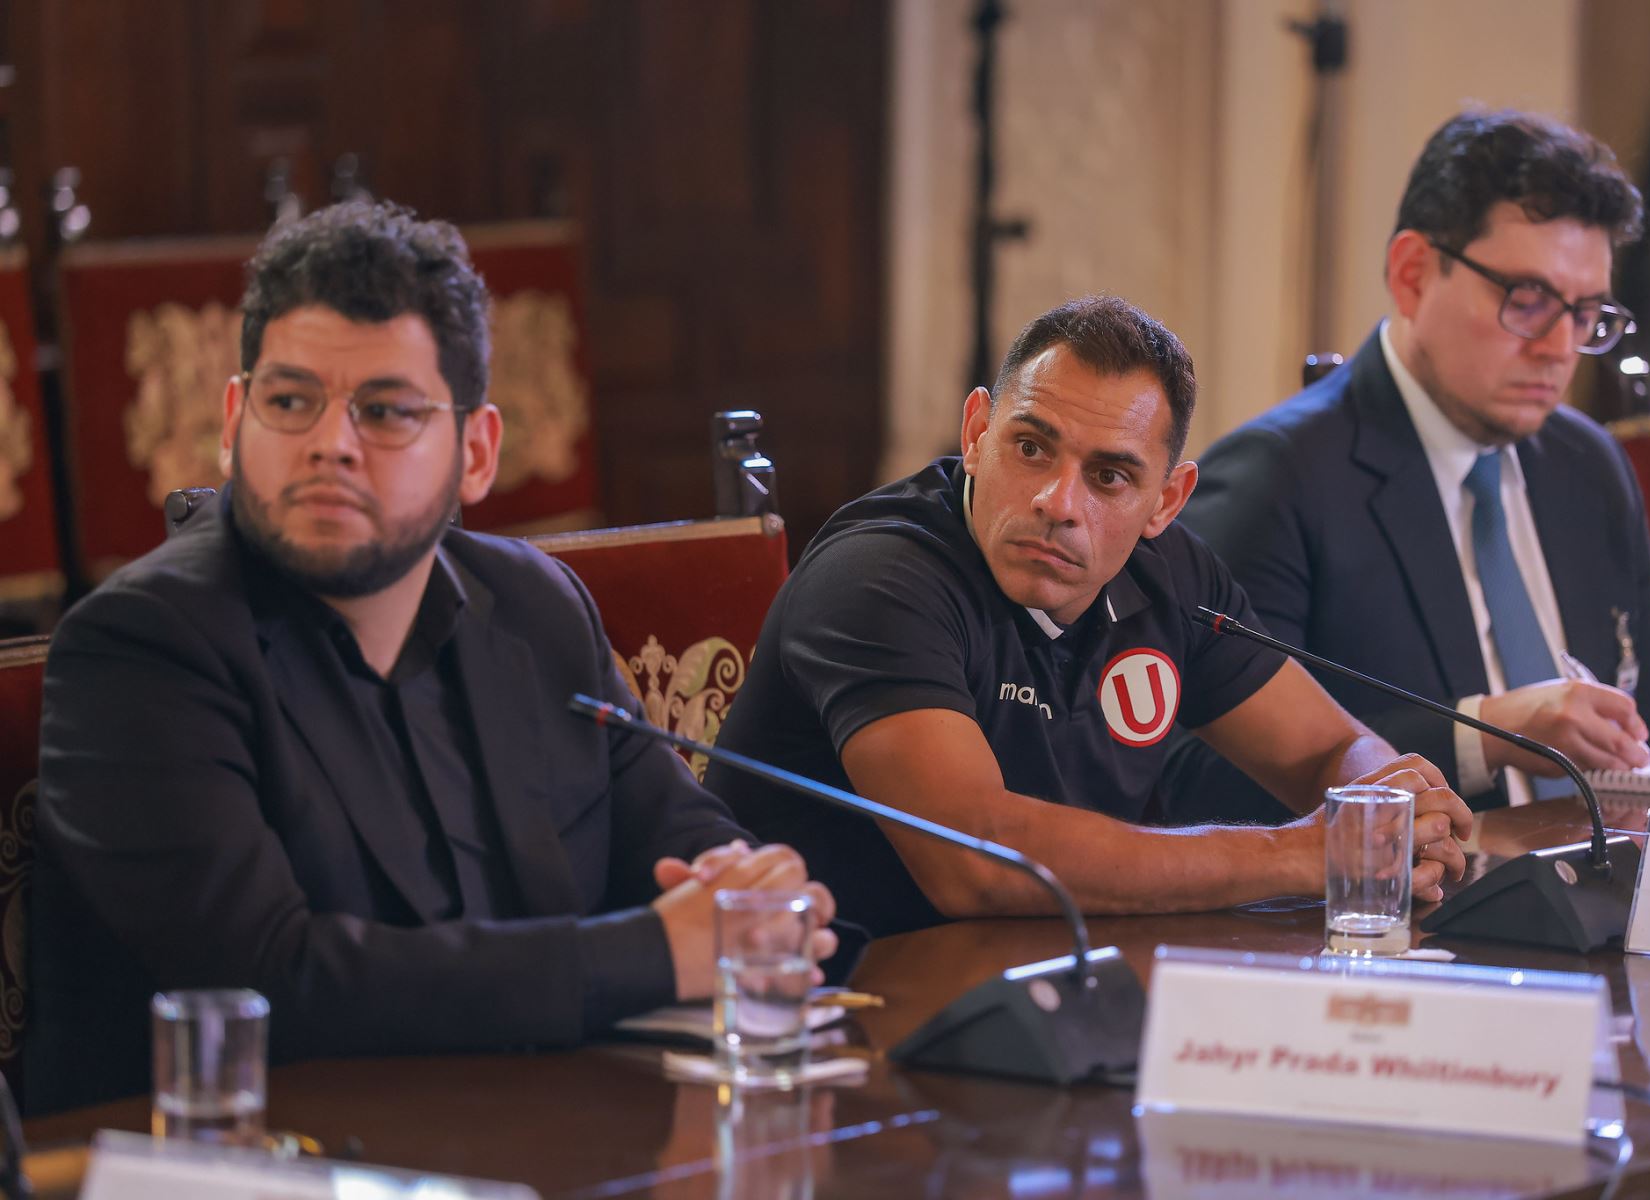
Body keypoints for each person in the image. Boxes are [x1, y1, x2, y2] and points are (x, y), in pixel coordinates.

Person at [28, 201, 836, 1113]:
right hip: (255, 1152)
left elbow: (676, 835)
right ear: (231, 421)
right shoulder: (141, 648)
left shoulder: (534, 607)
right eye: (289, 402)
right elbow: (276, 983)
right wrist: (660, 952)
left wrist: (747, 894)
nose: (330, 445)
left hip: (549, 1130)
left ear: (476, 452)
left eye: (385, 411)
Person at [707, 296, 1472, 940]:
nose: (1058, 503)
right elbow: (975, 858)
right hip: (836, 1001)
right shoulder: (878, 578)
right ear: (976, 434)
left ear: (1165, 502)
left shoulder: (1173, 576)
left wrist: (1387, 811)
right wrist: (1303, 854)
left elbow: (1330, 748)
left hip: (1056, 981)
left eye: (1109, 476)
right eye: (1031, 448)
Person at [1174, 109, 1650, 818]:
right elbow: (1194, 776)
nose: (1559, 349)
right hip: (1426, 884)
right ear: (1413, 275)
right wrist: (1485, 732)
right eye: (1528, 300)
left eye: (1586, 314)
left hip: (1607, 870)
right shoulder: (1276, 478)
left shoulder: (1589, 465)